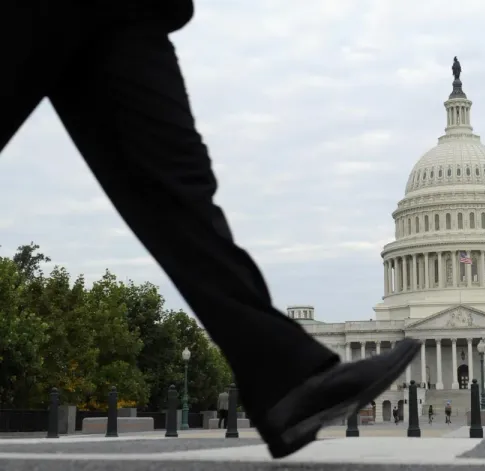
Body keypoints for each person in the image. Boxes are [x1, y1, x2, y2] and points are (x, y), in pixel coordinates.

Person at [0, 0, 421, 459]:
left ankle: (287, 377)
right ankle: (287, 378)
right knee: (173, 188)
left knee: (178, 187)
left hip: (124, 13)